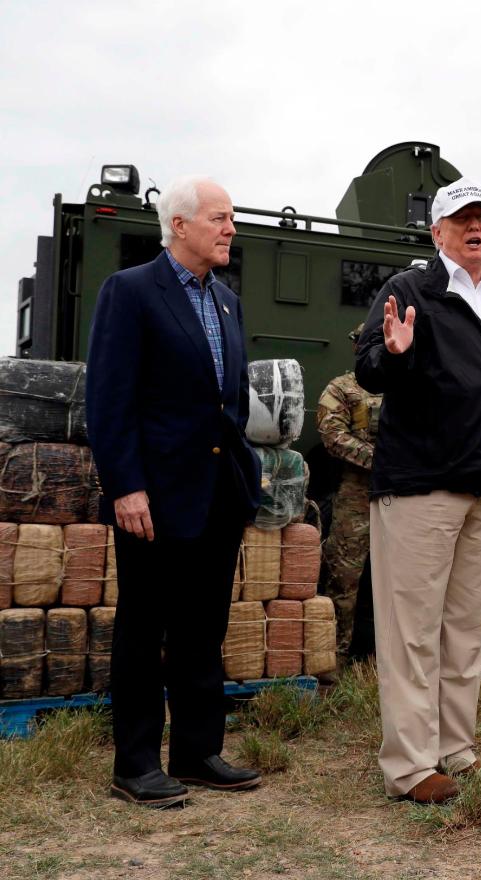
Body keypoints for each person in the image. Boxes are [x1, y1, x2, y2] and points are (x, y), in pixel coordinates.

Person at [356, 177, 481, 804]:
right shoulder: (409, 291)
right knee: (412, 630)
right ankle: (411, 767)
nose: (475, 227)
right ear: (436, 232)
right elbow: (369, 368)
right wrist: (394, 353)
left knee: (465, 630)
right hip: (421, 487)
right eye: (461, 218)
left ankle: (454, 750)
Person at [85, 176, 263, 807]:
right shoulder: (130, 292)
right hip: (153, 498)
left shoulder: (226, 303)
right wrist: (126, 486)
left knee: (202, 628)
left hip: (217, 494)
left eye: (231, 218)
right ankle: (134, 765)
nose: (230, 229)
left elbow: (229, 402)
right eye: (220, 217)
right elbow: (109, 399)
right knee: (143, 628)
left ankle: (196, 751)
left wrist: (246, 477)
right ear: (180, 225)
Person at [316, 324, 383, 661]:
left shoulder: (409, 386)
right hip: (358, 496)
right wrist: (383, 461)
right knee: (343, 579)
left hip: (404, 496)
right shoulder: (341, 389)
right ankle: (334, 657)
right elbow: (333, 436)